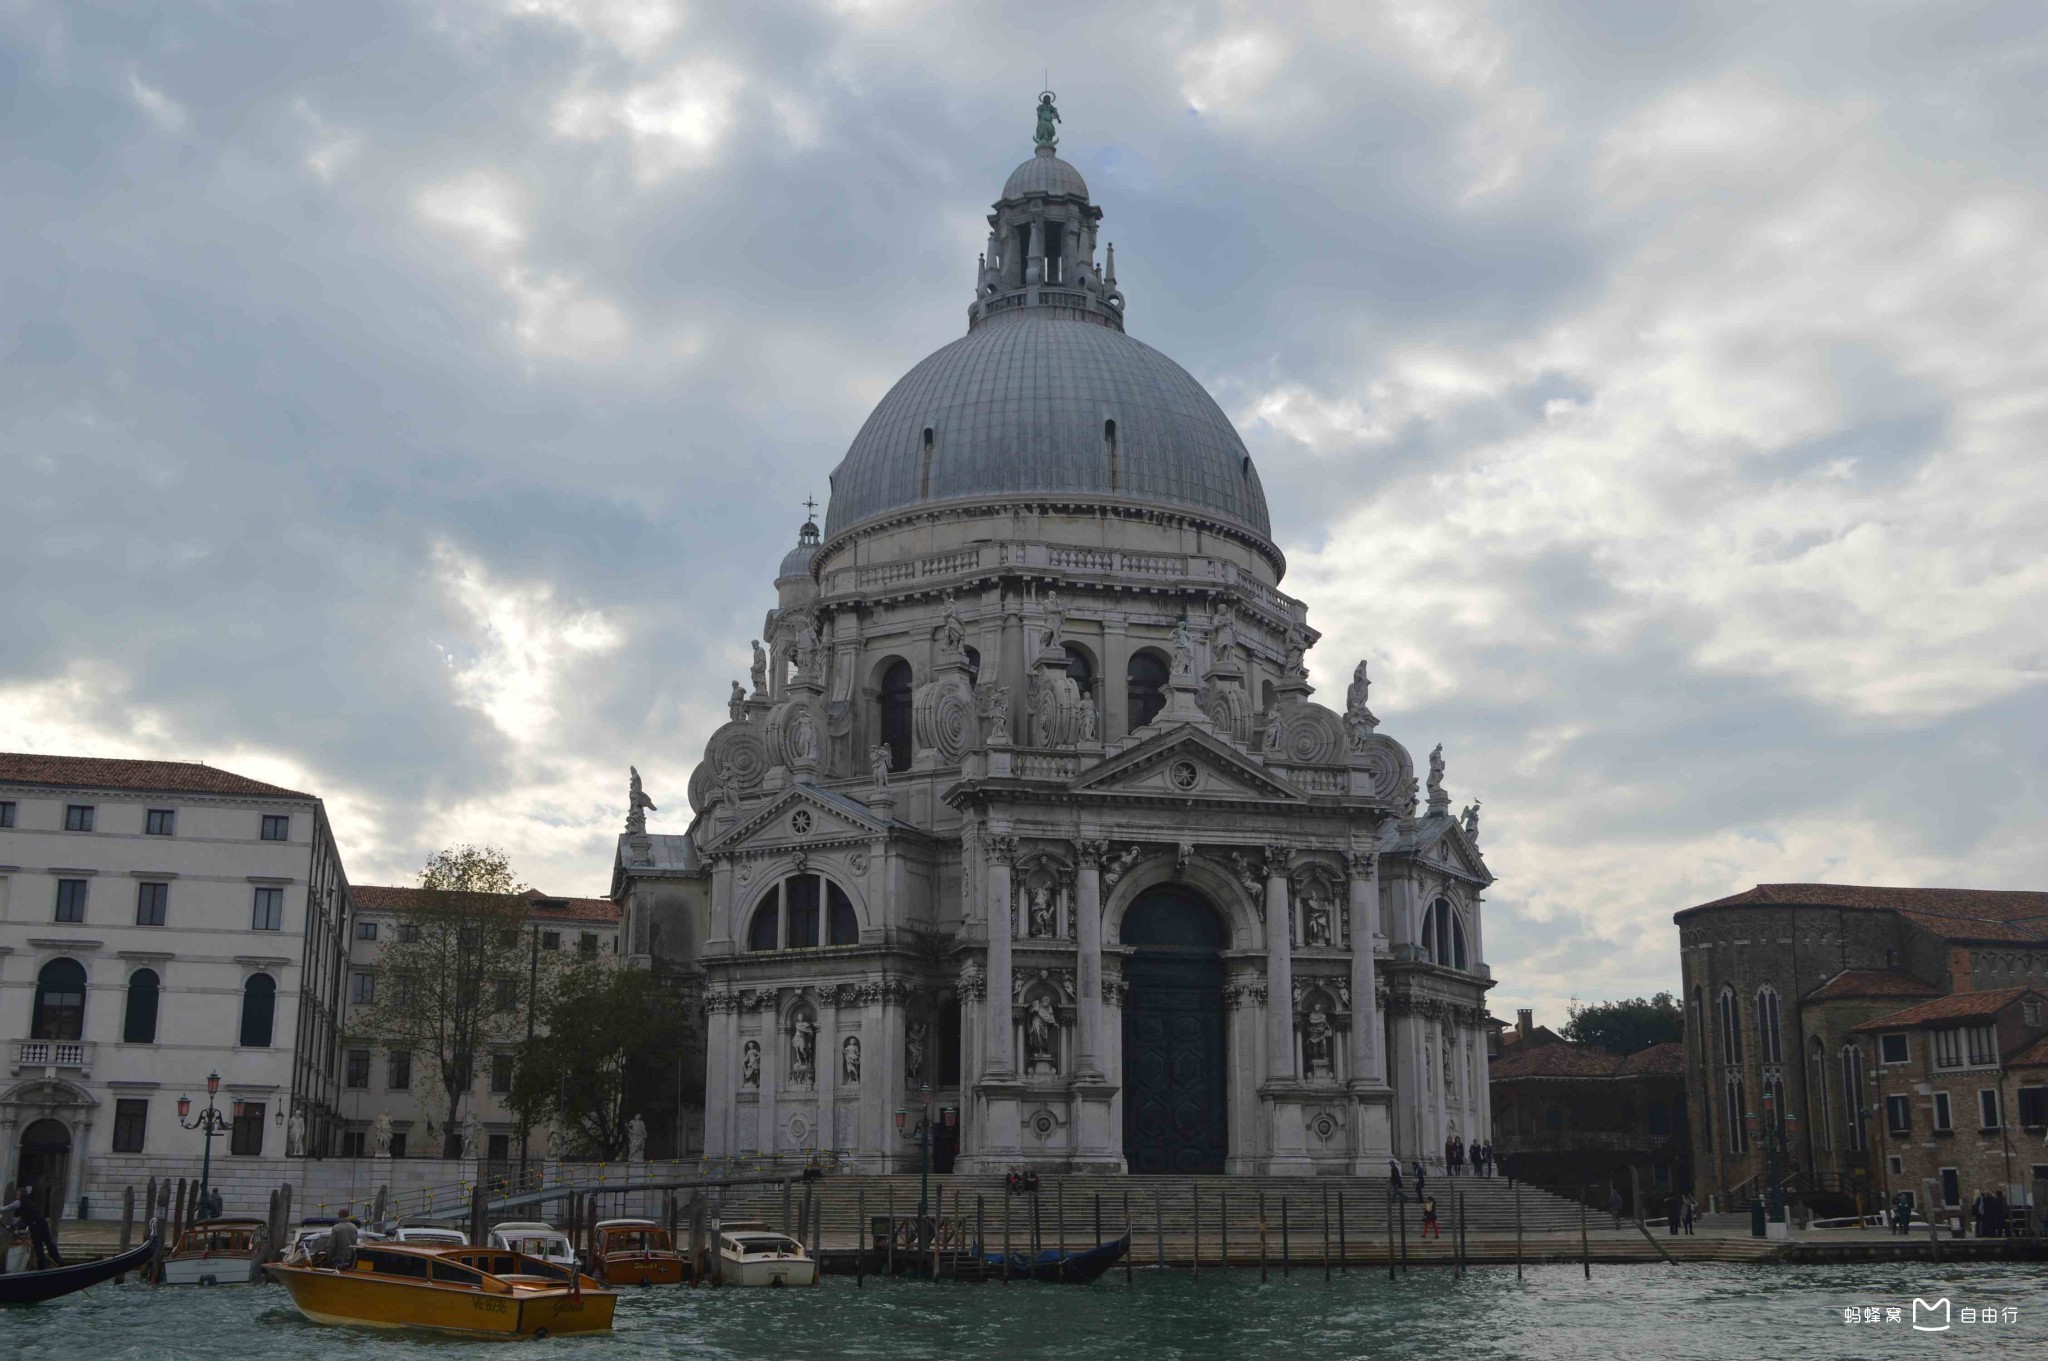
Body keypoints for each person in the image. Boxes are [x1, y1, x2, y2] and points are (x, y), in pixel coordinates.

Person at [9, 1188, 63, 1270]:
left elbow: (7, 1208)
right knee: (49, 1244)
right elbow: (23, 1218)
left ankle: (42, 1267)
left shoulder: (18, 1203)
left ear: (20, 1195)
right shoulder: (29, 1203)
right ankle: (59, 1262)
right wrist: (12, 1225)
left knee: (39, 1247)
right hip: (43, 1223)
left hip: (36, 1226)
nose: (16, 1196)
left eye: (17, 1194)